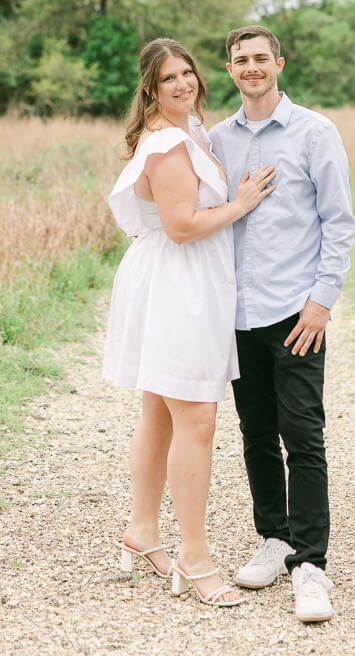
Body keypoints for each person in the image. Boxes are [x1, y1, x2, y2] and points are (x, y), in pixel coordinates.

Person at [103, 37, 275, 608]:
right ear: (150, 87)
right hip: (178, 284)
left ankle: (142, 530)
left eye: (189, 74)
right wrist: (243, 202)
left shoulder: (187, 130)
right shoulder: (172, 141)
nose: (183, 84)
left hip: (172, 278)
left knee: (158, 408)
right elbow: (179, 225)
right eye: (169, 78)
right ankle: (193, 555)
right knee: (197, 417)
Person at [208, 25, 355, 624]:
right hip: (238, 312)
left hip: (296, 312)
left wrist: (321, 302)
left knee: (303, 434)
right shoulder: (217, 139)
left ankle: (310, 564)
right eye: (240, 60)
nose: (251, 67)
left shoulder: (314, 132)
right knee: (255, 433)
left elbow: (339, 222)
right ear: (230, 69)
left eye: (260, 58)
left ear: (279, 64)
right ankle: (273, 538)